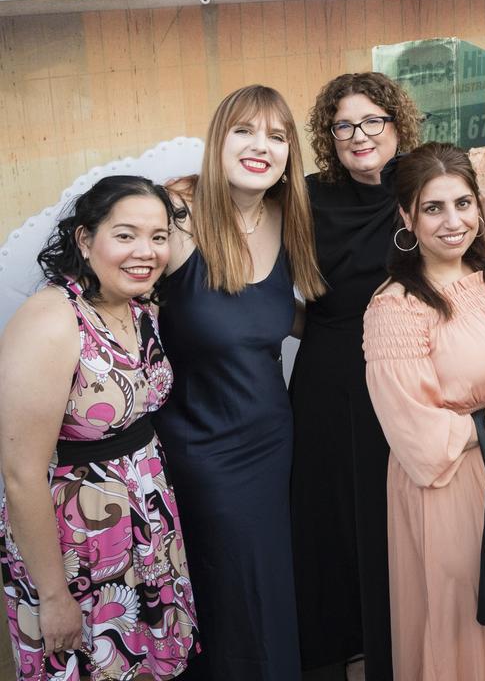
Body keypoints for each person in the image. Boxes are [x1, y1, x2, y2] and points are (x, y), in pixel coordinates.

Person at [363, 142, 485, 681]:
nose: (454, 222)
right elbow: (415, 432)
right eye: (433, 208)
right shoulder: (395, 306)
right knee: (462, 621)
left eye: (464, 203)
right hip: (447, 488)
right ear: (406, 217)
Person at [154, 85, 325, 680]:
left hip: (271, 441)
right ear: (217, 140)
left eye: (277, 137)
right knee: (222, 596)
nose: (261, 146)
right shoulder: (172, 216)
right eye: (245, 131)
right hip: (196, 447)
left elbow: (283, 317)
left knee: (268, 590)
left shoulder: (290, 216)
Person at [0, 176, 198, 679]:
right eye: (125, 234)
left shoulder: (141, 306)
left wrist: (181, 197)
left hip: (146, 526)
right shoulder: (52, 319)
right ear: (85, 240)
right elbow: (21, 473)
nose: (146, 251)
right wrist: (53, 595)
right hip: (78, 548)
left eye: (158, 237)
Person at [291, 71, 422, 680]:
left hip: (410, 374)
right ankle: (353, 650)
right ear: (329, 135)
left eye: (372, 120)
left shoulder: (426, 182)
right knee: (340, 519)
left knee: (401, 512)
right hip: (330, 378)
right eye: (344, 124)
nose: (359, 134)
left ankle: (407, 642)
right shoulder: (306, 196)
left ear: (397, 124)